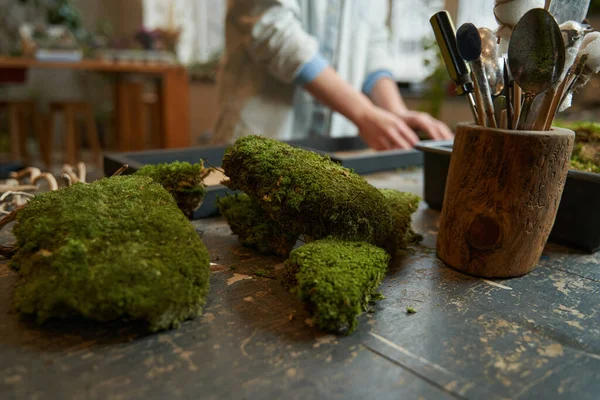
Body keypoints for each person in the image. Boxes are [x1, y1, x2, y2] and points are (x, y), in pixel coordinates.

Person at [210, 0, 454, 150]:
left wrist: (396, 113)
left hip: (337, 144)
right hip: (265, 132)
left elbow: (373, 41)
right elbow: (271, 29)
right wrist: (363, 112)